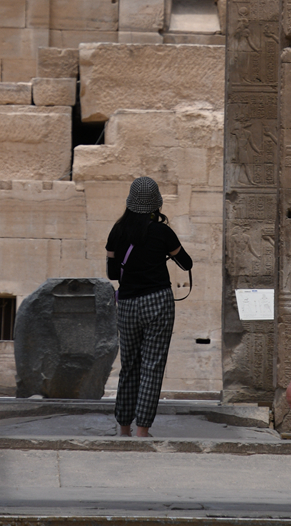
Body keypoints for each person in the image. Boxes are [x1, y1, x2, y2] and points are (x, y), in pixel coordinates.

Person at [105, 176, 193, 438]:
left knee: (129, 366)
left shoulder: (117, 231)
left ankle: (124, 428)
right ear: (156, 203)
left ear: (130, 201)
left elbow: (112, 273)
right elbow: (186, 263)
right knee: (152, 367)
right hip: (157, 302)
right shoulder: (163, 232)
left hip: (127, 304)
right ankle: (142, 430)